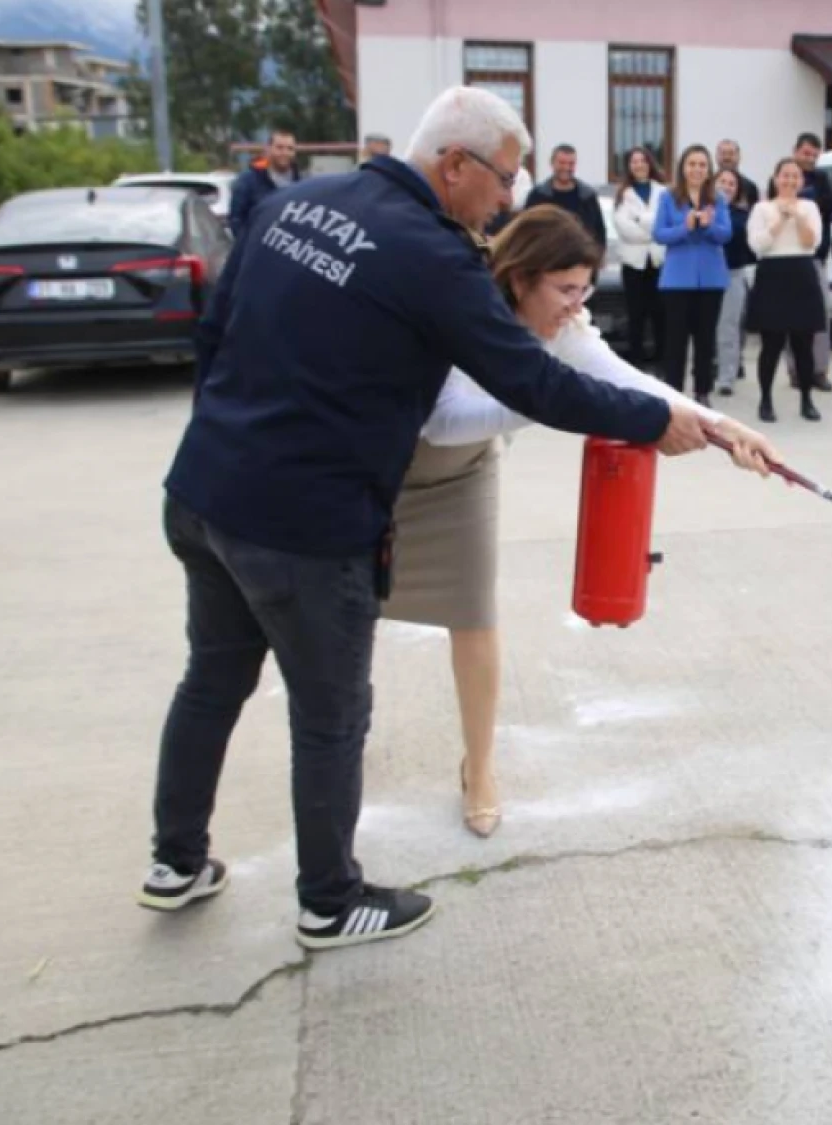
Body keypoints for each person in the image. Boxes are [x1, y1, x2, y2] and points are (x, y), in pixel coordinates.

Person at [145, 85, 708, 951]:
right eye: (505, 180)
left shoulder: (296, 203)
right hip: (306, 525)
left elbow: (213, 332)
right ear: (455, 165)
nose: (511, 202)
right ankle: (329, 901)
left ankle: (174, 861)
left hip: (207, 493)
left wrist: (227, 437)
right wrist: (648, 419)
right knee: (331, 714)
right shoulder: (430, 253)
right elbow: (533, 380)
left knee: (211, 681)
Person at [385, 207, 778, 836]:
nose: (577, 305)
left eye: (585, 290)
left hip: (463, 479)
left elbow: (625, 381)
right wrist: (550, 395)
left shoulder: (564, 329)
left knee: (474, 617)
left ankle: (479, 766)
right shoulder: (465, 313)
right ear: (519, 278)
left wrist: (723, 427)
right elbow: (443, 420)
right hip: (387, 474)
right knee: (345, 619)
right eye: (565, 290)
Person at [747, 158, 826, 423]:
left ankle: (806, 398)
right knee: (771, 344)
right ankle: (766, 399)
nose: (790, 181)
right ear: (775, 178)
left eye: (795, 176)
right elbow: (758, 245)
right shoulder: (761, 208)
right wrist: (780, 219)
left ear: (801, 181)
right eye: (785, 176)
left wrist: (798, 217)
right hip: (772, 274)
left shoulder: (810, 207)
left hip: (801, 273)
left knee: (803, 343)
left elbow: (811, 242)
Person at [653, 144, 732, 406]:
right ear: (683, 168)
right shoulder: (668, 197)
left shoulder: (717, 198)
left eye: (702, 164)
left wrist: (708, 226)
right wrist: (684, 227)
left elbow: (726, 234)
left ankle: (702, 391)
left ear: (708, 169)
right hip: (677, 280)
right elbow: (659, 234)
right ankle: (674, 392)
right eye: (692, 164)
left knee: (705, 338)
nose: (697, 169)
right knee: (675, 339)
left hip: (710, 279)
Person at [785, 133, 832, 393]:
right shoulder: (783, 175)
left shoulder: (823, 179)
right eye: (805, 153)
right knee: (791, 317)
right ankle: (795, 371)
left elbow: (831, 204)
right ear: (795, 151)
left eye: (814, 155)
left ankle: (819, 371)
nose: (809, 159)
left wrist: (806, 201)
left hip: (815, 258)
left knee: (820, 317)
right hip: (786, 258)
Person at [611, 146, 668, 365]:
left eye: (643, 160)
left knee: (660, 315)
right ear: (629, 166)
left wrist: (640, 220)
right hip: (633, 264)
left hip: (658, 262)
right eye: (634, 161)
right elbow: (623, 227)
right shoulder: (623, 194)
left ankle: (662, 361)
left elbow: (664, 224)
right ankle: (637, 362)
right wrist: (651, 228)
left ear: (649, 163)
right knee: (636, 316)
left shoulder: (663, 192)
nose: (639, 165)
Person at [714, 168, 757, 396]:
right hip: (706, 276)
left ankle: (726, 376)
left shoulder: (742, 216)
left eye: (731, 184)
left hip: (733, 275)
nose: (726, 187)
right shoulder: (703, 210)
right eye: (722, 181)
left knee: (728, 328)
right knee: (705, 328)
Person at [525, 144, 607, 252]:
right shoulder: (537, 196)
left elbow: (599, 230)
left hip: (581, 262)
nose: (566, 168)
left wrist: (600, 254)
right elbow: (526, 230)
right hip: (546, 262)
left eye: (571, 164)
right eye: (562, 163)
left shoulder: (587, 196)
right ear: (552, 163)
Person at [229, 128, 301, 239]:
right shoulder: (248, 180)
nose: (285, 153)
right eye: (279, 148)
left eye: (290, 149)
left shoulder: (301, 183)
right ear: (268, 149)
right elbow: (236, 219)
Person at [715, 139, 760, 209]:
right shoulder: (707, 184)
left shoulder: (750, 188)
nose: (727, 157)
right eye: (723, 153)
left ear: (739, 157)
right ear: (716, 156)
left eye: (731, 153)